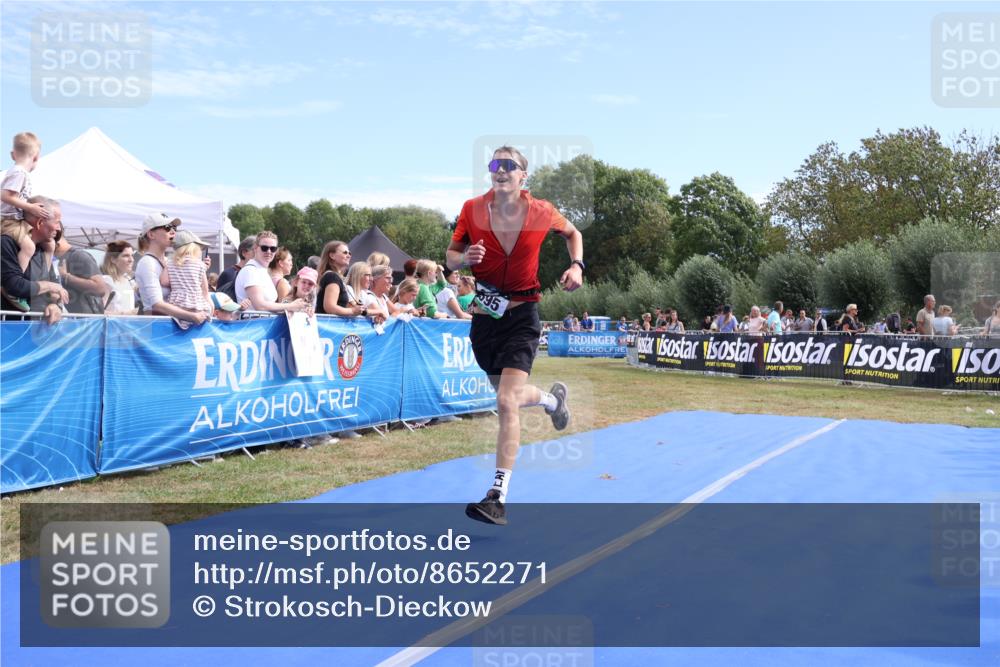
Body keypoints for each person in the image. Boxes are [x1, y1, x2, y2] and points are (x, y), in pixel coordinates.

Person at [446, 145, 583, 526]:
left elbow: (573, 233)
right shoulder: (472, 209)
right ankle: (552, 401)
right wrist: (464, 259)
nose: (500, 170)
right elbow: (451, 256)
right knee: (508, 396)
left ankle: (497, 496)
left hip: (523, 315)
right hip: (485, 319)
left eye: (509, 165)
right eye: (495, 164)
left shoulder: (541, 210)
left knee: (506, 401)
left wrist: (577, 265)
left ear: (523, 175)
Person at [1, 132, 52, 311]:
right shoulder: (19, 173)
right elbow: (5, 196)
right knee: (29, 247)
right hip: (9, 221)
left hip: (15, 219)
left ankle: (35, 280)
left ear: (12, 154)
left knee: (46, 243)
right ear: (36, 157)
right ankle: (14, 289)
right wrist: (30, 207)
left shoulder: (18, 173)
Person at [133, 213, 210, 325]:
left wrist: (199, 269)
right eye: (167, 227)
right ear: (151, 234)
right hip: (157, 327)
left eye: (174, 228)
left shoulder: (169, 261)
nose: (173, 232)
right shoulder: (147, 263)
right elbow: (157, 304)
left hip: (173, 326)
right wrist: (192, 316)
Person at [0, 195, 66, 323]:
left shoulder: (43, 248)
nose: (59, 228)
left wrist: (54, 305)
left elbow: (53, 288)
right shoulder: (6, 243)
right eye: (57, 222)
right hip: (6, 329)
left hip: (29, 330)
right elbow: (14, 286)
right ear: (40, 223)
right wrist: (50, 286)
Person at [234, 231, 308, 314]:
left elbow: (274, 305)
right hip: (253, 321)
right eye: (264, 248)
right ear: (255, 248)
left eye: (273, 249)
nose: (269, 251)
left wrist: (302, 307)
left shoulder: (262, 271)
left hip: (265, 321)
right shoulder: (251, 271)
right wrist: (290, 306)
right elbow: (260, 306)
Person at [160, 230, 213, 328]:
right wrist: (211, 308)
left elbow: (164, 281)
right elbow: (205, 291)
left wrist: (177, 281)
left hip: (177, 305)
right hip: (197, 304)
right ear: (194, 248)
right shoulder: (200, 265)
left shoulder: (170, 263)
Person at [53, 221, 109, 314]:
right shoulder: (54, 258)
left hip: (87, 320)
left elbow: (100, 288)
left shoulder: (78, 256)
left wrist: (66, 277)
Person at [315, 240, 365, 317]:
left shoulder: (334, 276)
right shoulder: (332, 277)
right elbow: (330, 307)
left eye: (349, 253)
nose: (348, 255)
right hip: (328, 323)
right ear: (332, 255)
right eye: (345, 253)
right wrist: (352, 311)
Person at [100, 240, 137, 314]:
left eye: (132, 255)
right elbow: (98, 312)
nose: (131, 260)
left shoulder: (129, 281)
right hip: (113, 322)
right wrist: (126, 314)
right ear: (113, 259)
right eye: (126, 256)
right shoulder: (107, 281)